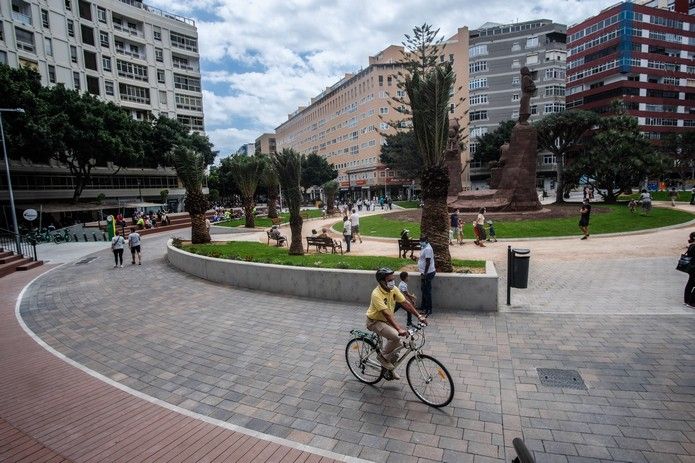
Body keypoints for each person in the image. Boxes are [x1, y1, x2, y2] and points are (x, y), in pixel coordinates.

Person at [366, 268, 427, 378]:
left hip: (386, 321)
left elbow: (405, 303)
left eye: (393, 279)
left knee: (398, 346)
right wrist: (399, 329)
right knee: (396, 336)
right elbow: (386, 314)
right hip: (374, 321)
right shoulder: (376, 294)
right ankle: (382, 357)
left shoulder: (394, 289)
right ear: (381, 281)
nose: (392, 281)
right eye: (389, 280)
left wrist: (419, 316)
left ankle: (388, 370)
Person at [418, 236, 436, 316]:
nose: (421, 242)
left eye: (422, 241)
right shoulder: (424, 247)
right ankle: (423, 307)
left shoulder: (428, 249)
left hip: (428, 273)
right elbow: (423, 259)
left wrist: (425, 274)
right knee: (423, 290)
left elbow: (428, 262)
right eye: (420, 240)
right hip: (424, 273)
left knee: (427, 291)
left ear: (426, 241)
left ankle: (429, 309)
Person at [683, 232, 695, 307]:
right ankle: (692, 302)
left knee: (690, 284)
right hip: (694, 268)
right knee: (691, 284)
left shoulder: (691, 246)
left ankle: (687, 300)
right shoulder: (694, 247)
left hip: (691, 269)